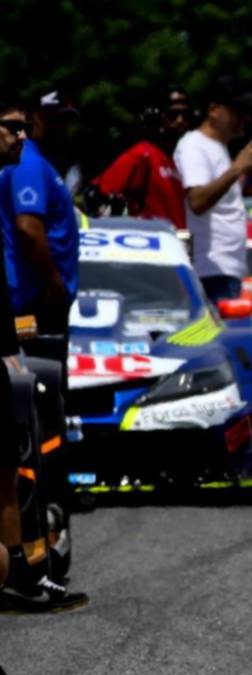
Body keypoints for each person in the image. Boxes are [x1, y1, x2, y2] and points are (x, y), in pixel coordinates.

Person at [0, 103, 84, 610]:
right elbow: (29, 230)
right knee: (22, 445)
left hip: (12, 328)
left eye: (23, 128)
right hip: (24, 316)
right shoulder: (28, 168)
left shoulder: (21, 168)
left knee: (12, 459)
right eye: (12, 127)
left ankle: (23, 565)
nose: (22, 135)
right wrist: (52, 287)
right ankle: (25, 563)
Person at [174, 76, 252, 303]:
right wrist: (237, 168)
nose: (245, 118)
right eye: (238, 111)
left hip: (224, 270)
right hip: (209, 270)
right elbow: (197, 201)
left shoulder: (217, 148)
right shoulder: (194, 145)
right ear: (214, 110)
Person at [0, 99, 77, 337]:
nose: (61, 128)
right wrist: (54, 283)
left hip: (32, 296)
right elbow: (28, 228)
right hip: (33, 298)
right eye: (53, 120)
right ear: (35, 119)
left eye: (65, 121)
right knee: (34, 356)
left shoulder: (37, 161)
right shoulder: (29, 162)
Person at [88, 89, 190, 228]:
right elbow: (96, 195)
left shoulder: (177, 161)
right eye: (173, 114)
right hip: (151, 238)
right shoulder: (142, 153)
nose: (180, 120)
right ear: (157, 116)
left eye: (186, 115)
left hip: (176, 239)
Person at [28, 90, 80, 193]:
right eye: (55, 119)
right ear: (35, 118)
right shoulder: (22, 157)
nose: (63, 126)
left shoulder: (57, 156)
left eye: (67, 120)